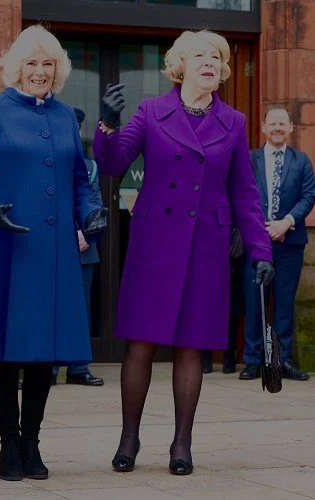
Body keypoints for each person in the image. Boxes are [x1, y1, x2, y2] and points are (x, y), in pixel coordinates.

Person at [93, 30, 274, 476]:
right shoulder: (152, 112)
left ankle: (181, 444)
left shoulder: (233, 121)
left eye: (216, 57)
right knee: (141, 344)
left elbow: (245, 194)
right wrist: (107, 125)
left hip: (206, 249)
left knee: (193, 348)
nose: (210, 62)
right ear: (181, 65)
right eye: (200, 55)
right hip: (155, 244)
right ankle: (129, 438)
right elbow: (114, 165)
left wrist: (260, 250)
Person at [0, 25, 107, 482]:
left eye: (48, 64)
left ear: (58, 70)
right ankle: (8, 442)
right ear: (18, 67)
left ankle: (32, 442)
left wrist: (91, 213)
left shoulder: (62, 117)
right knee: (5, 349)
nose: (40, 71)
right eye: (33, 63)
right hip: (5, 245)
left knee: (42, 351)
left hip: (52, 250)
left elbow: (78, 179)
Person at [240, 108, 315, 381]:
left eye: (282, 123)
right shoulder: (250, 159)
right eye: (273, 123)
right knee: (255, 301)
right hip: (257, 242)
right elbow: (243, 196)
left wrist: (286, 222)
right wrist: (263, 228)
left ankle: (281, 361)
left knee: (284, 305)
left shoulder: (302, 161)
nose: (277, 128)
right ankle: (253, 360)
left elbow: (308, 196)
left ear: (291, 128)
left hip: (290, 243)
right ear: (263, 127)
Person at [52, 107, 104, 387]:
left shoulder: (90, 166)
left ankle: (79, 367)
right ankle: (47, 368)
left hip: (84, 248)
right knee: (50, 308)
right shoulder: (44, 158)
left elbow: (93, 200)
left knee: (80, 309)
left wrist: (87, 231)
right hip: (53, 245)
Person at [201, 227, 245, 374]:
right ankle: (205, 357)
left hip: (234, 240)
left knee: (232, 309)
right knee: (205, 308)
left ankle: (229, 358)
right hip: (208, 241)